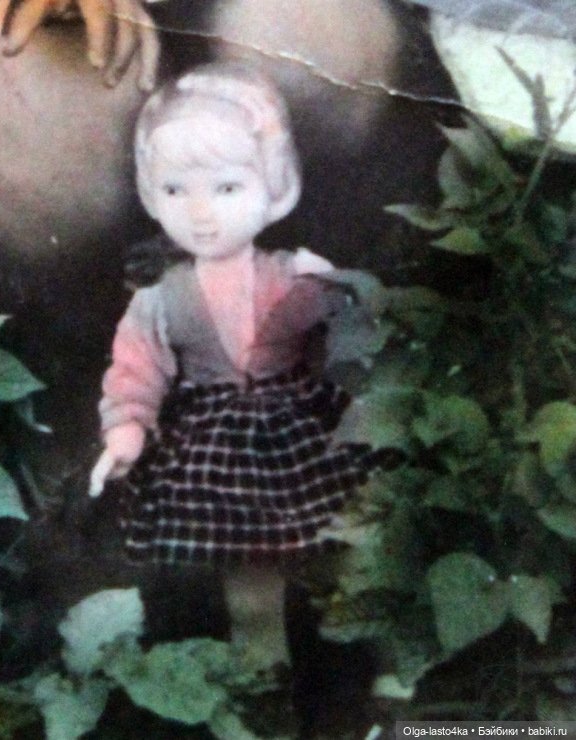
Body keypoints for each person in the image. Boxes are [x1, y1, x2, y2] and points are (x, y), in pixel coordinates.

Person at [88, 62, 381, 672]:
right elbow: (136, 369)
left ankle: (368, 658)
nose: (201, 213)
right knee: (250, 574)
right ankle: (261, 673)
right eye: (176, 191)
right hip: (220, 453)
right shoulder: (160, 300)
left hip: (302, 431)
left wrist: (352, 347)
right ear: (152, 195)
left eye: (226, 189)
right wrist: (126, 430)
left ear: (273, 188)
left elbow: (351, 336)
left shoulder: (297, 273)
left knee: (348, 537)